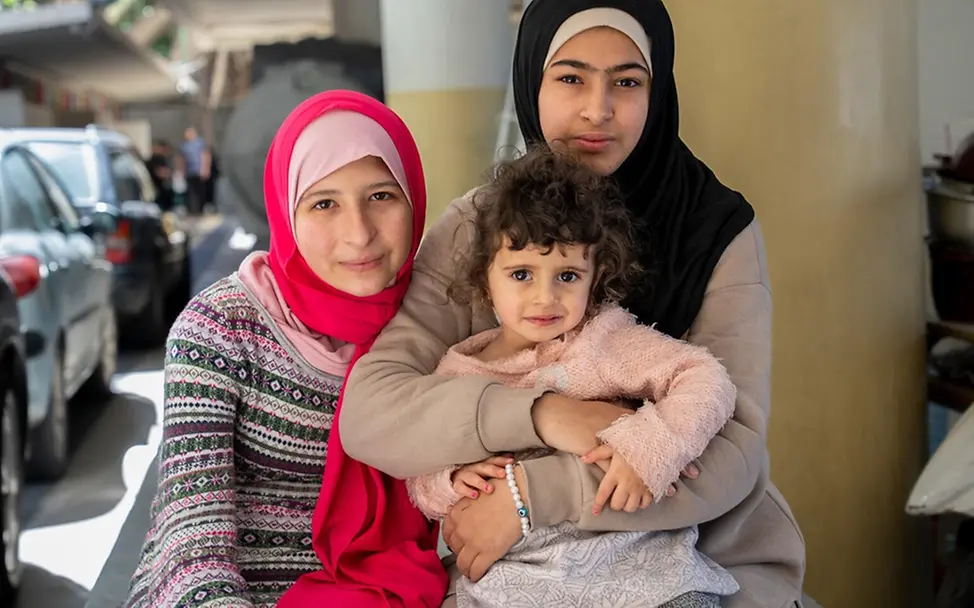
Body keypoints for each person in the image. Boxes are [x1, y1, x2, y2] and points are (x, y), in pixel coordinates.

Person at [340, 2, 806, 607]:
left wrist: (533, 494)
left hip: (696, 554)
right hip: (517, 572)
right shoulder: (480, 227)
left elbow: (732, 448)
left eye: (627, 82)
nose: (598, 109)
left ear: (657, 88)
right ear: (532, 79)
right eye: (570, 77)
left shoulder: (714, 229)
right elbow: (373, 411)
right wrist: (538, 414)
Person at [125, 90, 446, 608]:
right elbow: (191, 534)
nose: (359, 233)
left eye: (381, 196)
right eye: (324, 203)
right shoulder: (218, 329)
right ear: (286, 209)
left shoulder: (438, 323)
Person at [407, 146, 740, 607]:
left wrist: (649, 447)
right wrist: (447, 480)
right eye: (522, 274)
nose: (545, 298)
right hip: (515, 579)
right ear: (486, 281)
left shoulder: (604, 339)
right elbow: (419, 471)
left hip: (635, 568)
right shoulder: (459, 370)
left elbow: (706, 379)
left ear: (595, 276)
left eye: (566, 275)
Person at [179, 126, 210, 215]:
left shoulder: (200, 143)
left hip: (199, 170)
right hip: (189, 172)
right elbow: (182, 159)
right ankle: (191, 210)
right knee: (190, 192)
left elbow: (205, 155)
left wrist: (205, 169)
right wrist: (182, 171)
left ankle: (201, 209)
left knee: (200, 191)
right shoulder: (184, 145)